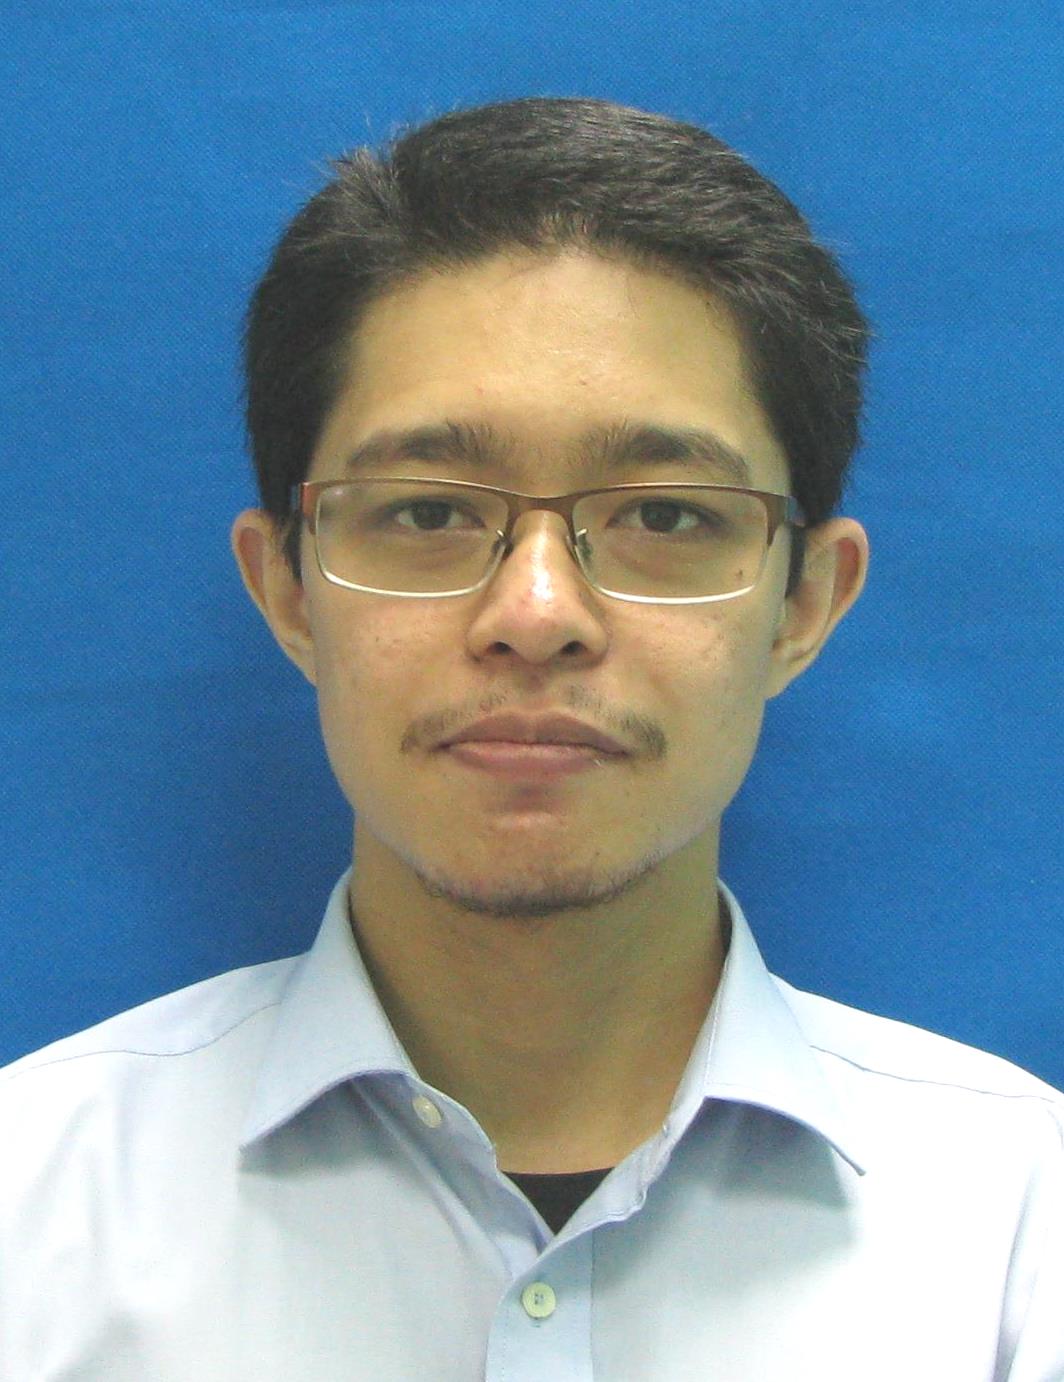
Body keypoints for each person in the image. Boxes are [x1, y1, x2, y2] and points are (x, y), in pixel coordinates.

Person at [1, 97, 1060, 1381]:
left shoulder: (1017, 1230)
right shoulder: (34, 1208)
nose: (537, 613)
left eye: (665, 516)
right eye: (428, 511)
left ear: (802, 605)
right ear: (286, 589)